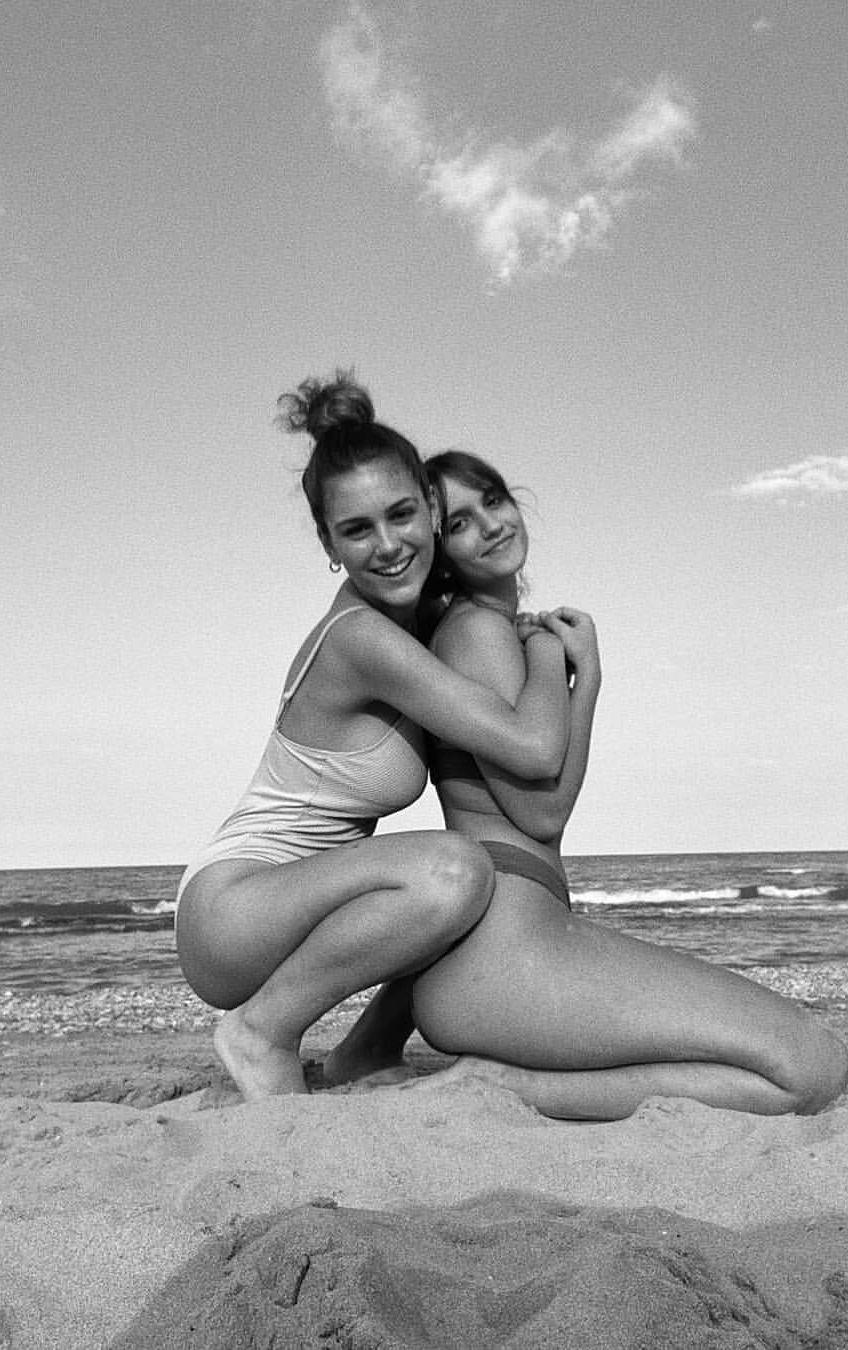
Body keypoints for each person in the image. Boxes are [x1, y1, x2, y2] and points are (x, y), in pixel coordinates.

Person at [335, 450, 848, 1119]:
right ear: (440, 551)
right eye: (459, 523)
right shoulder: (479, 633)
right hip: (504, 961)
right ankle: (496, 1086)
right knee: (808, 1069)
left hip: (509, 947)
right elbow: (541, 812)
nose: (490, 524)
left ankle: (484, 1074)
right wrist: (576, 668)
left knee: (792, 1056)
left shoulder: (487, 631)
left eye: (494, 499)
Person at [174, 377, 571, 1100]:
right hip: (233, 912)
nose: (388, 546)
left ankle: (367, 1050)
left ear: (429, 508)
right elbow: (534, 750)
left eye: (401, 515)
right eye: (357, 530)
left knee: (468, 874)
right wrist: (553, 650)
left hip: (284, 903)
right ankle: (260, 1031)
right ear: (328, 543)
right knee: (453, 871)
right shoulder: (364, 639)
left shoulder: (411, 623)